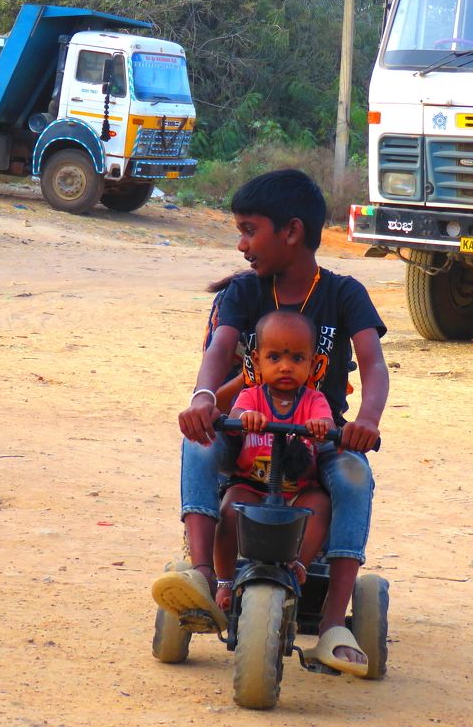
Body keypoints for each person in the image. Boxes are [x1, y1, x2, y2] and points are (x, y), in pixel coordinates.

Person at [151, 168, 389, 678]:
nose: (241, 244)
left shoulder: (344, 294)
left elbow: (373, 363)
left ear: (292, 231)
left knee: (353, 475)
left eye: (249, 230)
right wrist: (203, 399)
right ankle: (201, 577)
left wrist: (366, 421)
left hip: (318, 435)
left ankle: (333, 624)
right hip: (248, 431)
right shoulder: (243, 292)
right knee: (199, 442)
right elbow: (219, 349)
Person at [213, 310, 333, 613]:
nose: (285, 367)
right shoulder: (252, 396)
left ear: (312, 364)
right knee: (229, 510)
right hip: (252, 485)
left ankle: (299, 565)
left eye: (297, 358)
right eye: (275, 357)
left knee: (321, 505)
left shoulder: (313, 400)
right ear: (256, 361)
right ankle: (224, 580)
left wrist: (320, 426)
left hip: (298, 489)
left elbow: (326, 423)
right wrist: (246, 419)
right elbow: (236, 415)